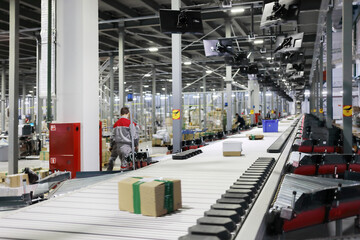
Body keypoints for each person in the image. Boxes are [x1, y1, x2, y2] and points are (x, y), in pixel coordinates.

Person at [107, 107, 139, 171]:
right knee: (125, 167)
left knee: (113, 159)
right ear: (128, 113)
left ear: (121, 114)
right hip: (127, 147)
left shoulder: (116, 124)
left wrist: (111, 146)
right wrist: (136, 145)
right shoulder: (130, 123)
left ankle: (108, 172)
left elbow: (112, 137)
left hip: (118, 147)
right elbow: (134, 136)